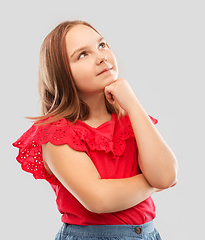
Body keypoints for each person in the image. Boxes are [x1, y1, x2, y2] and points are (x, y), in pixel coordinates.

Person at [12, 20, 178, 240]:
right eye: (82, 55)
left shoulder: (131, 118)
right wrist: (153, 183)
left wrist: (132, 103)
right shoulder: (57, 133)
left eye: (102, 45)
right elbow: (99, 199)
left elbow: (167, 173)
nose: (102, 57)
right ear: (62, 73)